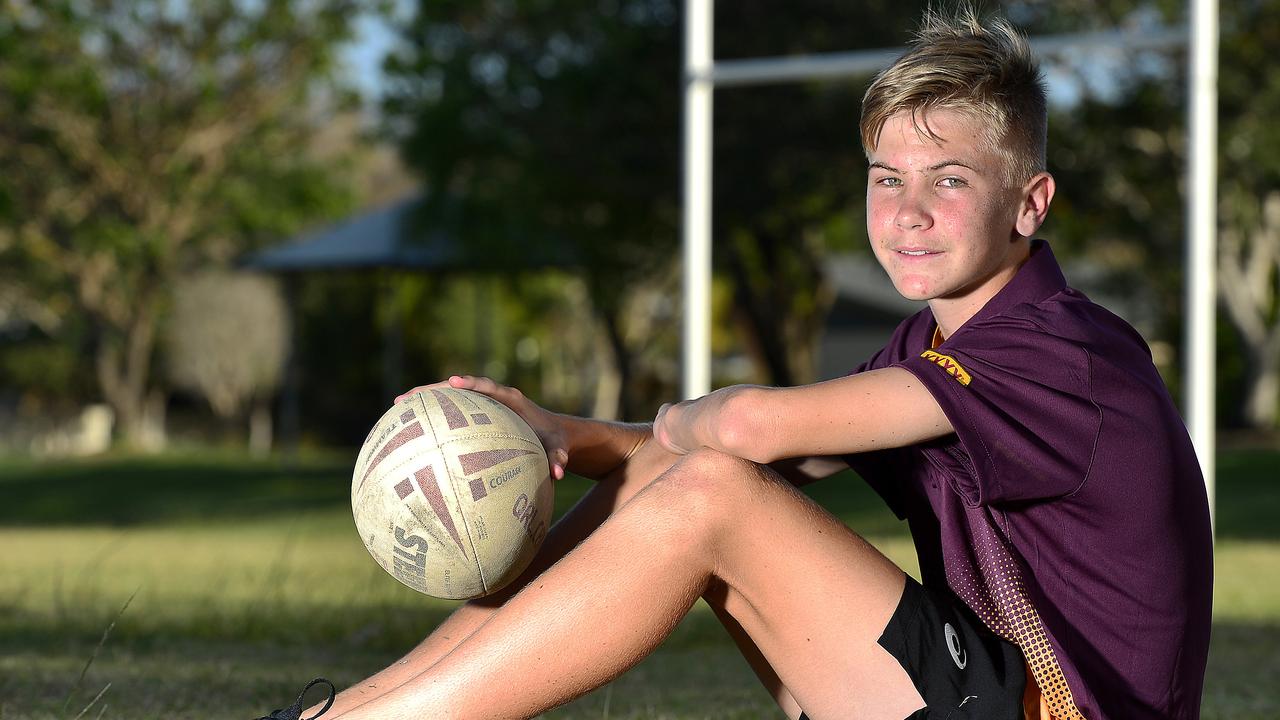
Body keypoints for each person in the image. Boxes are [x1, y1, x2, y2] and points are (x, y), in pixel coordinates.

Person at [256, 6, 1212, 719]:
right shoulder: (931, 344)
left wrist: (690, 426)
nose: (909, 210)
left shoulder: (1059, 353)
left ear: (1031, 203)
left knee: (710, 486)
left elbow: (752, 431)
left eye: (951, 180)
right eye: (888, 179)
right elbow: (748, 456)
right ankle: (341, 712)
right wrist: (562, 434)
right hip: (977, 691)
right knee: (695, 474)